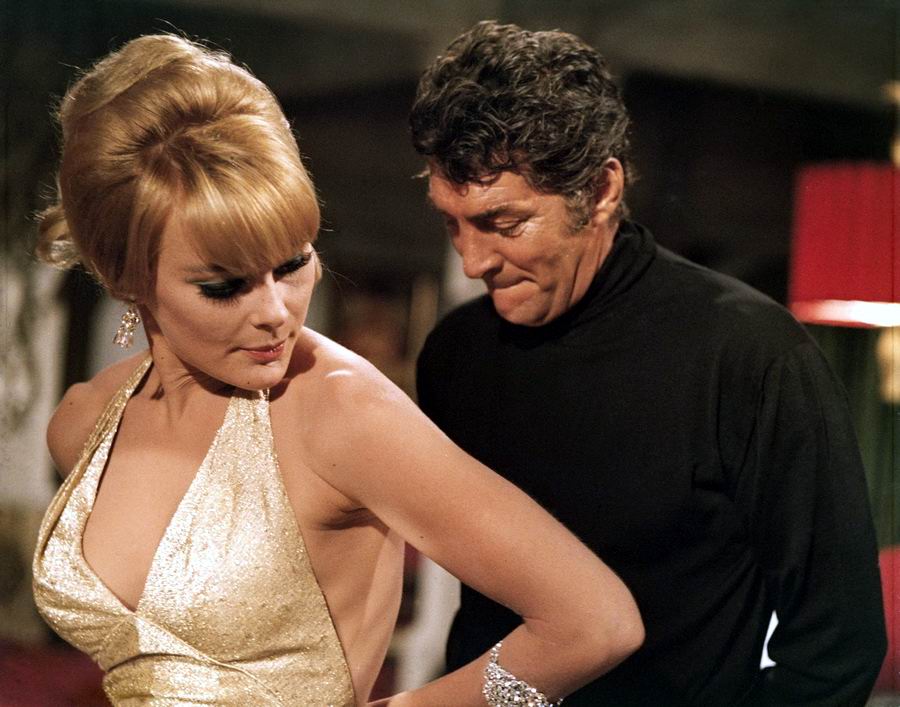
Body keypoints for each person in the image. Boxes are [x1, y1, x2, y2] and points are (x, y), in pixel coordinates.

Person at [30, 34, 644, 706]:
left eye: (293, 263)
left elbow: (594, 624)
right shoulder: (83, 423)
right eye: (225, 286)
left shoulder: (341, 412)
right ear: (125, 278)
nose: (276, 312)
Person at [410, 19, 886, 706]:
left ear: (601, 191)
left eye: (504, 223)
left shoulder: (751, 356)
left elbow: (837, 644)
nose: (472, 261)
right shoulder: (454, 354)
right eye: (451, 222)